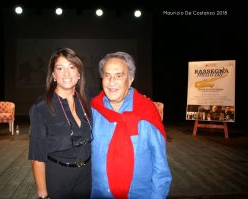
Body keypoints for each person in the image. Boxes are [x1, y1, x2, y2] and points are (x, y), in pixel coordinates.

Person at [91, 52, 172, 199]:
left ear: (130, 80)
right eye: (107, 75)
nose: (111, 82)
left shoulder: (147, 113)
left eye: (119, 76)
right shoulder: (93, 111)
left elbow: (161, 170)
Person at [28, 48, 92, 199]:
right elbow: (37, 157)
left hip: (86, 176)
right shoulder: (41, 108)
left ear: (79, 73)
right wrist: (43, 194)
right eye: (60, 68)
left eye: (71, 67)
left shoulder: (86, 98)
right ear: (53, 75)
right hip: (59, 179)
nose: (67, 73)